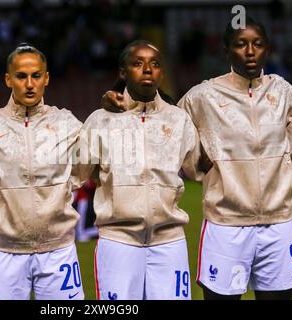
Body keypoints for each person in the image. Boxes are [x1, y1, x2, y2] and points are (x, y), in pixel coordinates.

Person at [103, 18, 292, 300]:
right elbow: (163, 115)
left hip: (279, 224)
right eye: (241, 44)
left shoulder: (282, 92)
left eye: (258, 44)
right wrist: (122, 101)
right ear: (226, 51)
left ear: (267, 50)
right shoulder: (203, 96)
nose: (250, 51)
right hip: (225, 226)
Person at [78, 40, 203, 300]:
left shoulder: (178, 119)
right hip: (118, 241)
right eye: (138, 63)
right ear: (123, 73)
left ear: (161, 73)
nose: (147, 69)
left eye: (155, 64)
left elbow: (197, 168)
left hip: (169, 242)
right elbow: (83, 173)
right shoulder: (100, 120)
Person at [0, 44, 84, 300]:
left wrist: (63, 190)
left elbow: (85, 169)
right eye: (22, 76)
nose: (30, 84)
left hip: (58, 250)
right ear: (8, 79)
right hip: (4, 251)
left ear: (46, 78)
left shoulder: (67, 124)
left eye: (36, 75)